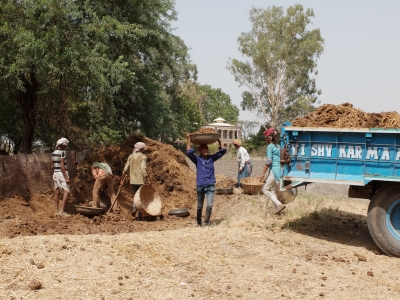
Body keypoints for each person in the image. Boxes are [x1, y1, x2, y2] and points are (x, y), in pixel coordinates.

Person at [186, 134, 226, 226]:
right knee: (200, 206)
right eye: (204, 149)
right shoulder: (197, 159)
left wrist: (218, 139)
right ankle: (199, 222)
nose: (206, 150)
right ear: (200, 151)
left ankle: (206, 222)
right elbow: (188, 152)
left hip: (210, 185)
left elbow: (222, 151)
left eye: (207, 149)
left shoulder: (212, 158)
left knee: (209, 205)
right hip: (200, 185)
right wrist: (188, 140)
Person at [259, 127, 286, 215]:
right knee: (273, 191)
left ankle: (279, 204)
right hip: (281, 171)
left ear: (269, 138)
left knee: (265, 189)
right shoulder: (278, 146)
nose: (265, 139)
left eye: (266, 137)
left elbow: (269, 161)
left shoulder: (270, 147)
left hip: (274, 171)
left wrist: (263, 173)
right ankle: (277, 212)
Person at [122, 142, 150, 221]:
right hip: (140, 180)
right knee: (140, 198)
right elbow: (143, 169)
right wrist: (147, 179)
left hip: (133, 180)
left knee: (135, 196)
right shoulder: (143, 157)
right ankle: (139, 216)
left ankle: (134, 208)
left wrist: (122, 179)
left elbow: (125, 169)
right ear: (142, 149)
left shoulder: (130, 156)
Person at [51, 137, 70, 216]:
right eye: (65, 145)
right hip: (62, 173)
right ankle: (62, 211)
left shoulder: (53, 153)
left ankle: (56, 211)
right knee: (66, 191)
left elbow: (52, 165)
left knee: (57, 191)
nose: (66, 147)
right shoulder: (63, 152)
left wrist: (54, 173)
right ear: (62, 145)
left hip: (55, 173)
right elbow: (62, 165)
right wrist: (66, 177)